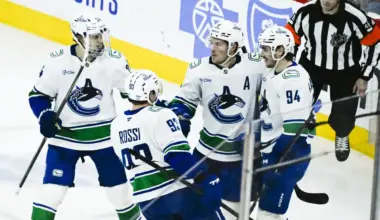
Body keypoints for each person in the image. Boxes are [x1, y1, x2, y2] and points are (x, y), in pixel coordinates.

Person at [28, 14, 142, 220]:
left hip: (104, 139)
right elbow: (38, 95)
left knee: (121, 195)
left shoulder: (114, 61)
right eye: (94, 37)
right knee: (51, 193)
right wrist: (45, 115)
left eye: (101, 36)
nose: (100, 41)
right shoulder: (57, 62)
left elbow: (134, 94)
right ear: (77, 37)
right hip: (65, 138)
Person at [163, 19, 266, 218]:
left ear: (234, 47)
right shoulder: (198, 69)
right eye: (212, 42)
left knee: (234, 213)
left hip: (241, 159)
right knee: (192, 209)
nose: (213, 48)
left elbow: (276, 91)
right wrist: (179, 117)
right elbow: (185, 100)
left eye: (219, 44)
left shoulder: (255, 66)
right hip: (205, 155)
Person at [110, 69, 224, 220]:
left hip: (147, 202)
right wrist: (203, 178)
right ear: (151, 93)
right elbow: (177, 157)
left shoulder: (116, 125)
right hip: (179, 194)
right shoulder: (161, 115)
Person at [285, 0, 380, 161]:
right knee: (298, 104)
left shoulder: (355, 16)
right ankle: (292, 136)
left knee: (344, 110)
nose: (326, 1)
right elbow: (289, 36)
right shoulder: (305, 13)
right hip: (312, 65)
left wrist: (364, 75)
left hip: (345, 70)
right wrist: (289, 65)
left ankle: (342, 135)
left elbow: (375, 42)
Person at [256, 26, 314, 220]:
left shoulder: (293, 80)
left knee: (268, 213)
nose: (261, 54)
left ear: (280, 51)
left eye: (265, 49)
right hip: (272, 152)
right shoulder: (273, 71)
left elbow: (294, 130)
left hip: (288, 156)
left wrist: (273, 161)